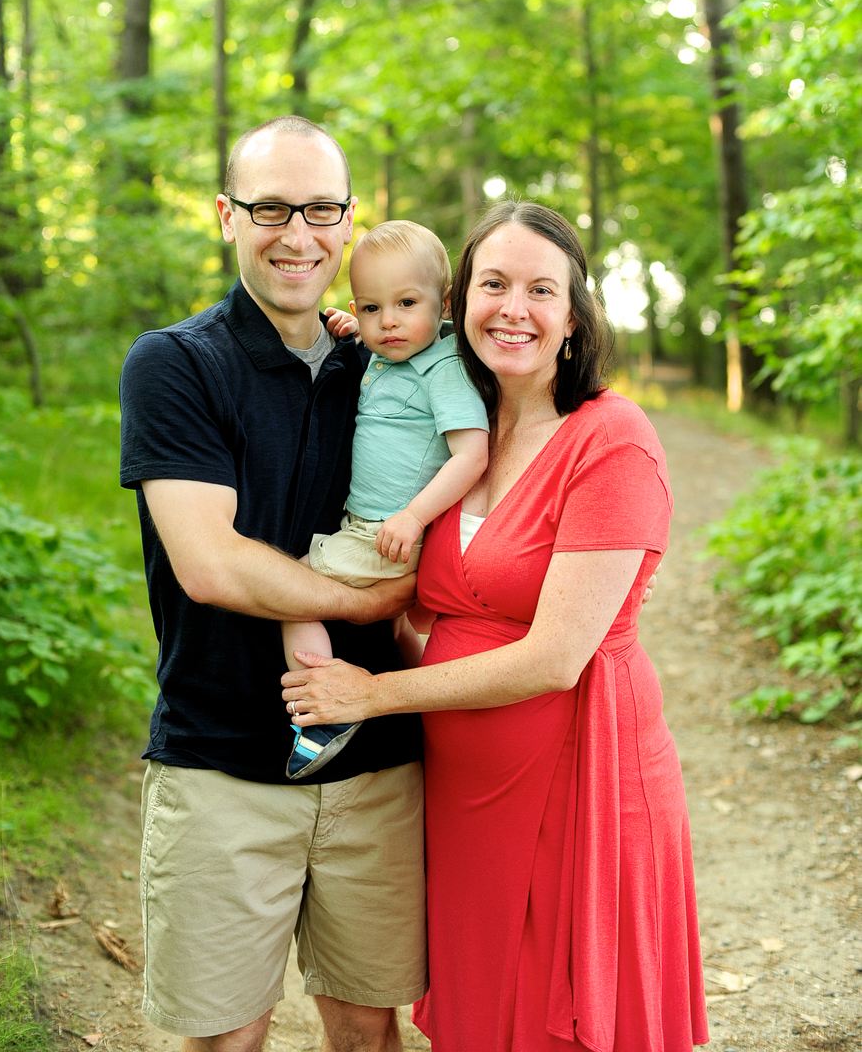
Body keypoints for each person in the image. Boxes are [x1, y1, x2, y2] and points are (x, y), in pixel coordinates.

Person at [283, 202, 710, 1052]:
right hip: (461, 788)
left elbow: (554, 658)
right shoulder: (456, 428)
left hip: (577, 776)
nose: (514, 307)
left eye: (540, 289)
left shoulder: (610, 441)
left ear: (573, 316)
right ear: (459, 300)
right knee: (482, 1009)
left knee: (562, 1011)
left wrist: (372, 692)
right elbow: (436, 607)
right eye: (495, 283)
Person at [119, 116, 427, 1052]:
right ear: (226, 216)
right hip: (221, 763)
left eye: (321, 208)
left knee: (370, 1030)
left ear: (348, 220)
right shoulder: (175, 363)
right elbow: (209, 564)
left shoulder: (387, 360)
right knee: (224, 1037)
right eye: (270, 208)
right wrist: (368, 600)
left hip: (376, 761)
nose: (298, 233)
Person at [281, 220, 489, 779]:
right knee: (396, 631)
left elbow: (472, 455)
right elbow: (375, 343)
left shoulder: (444, 367)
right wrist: (355, 330)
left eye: (405, 303)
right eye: (371, 308)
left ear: (444, 304)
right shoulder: (385, 351)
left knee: (290, 593)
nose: (388, 322)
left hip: (391, 531)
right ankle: (444, 714)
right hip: (376, 528)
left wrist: (415, 516)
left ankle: (320, 712)